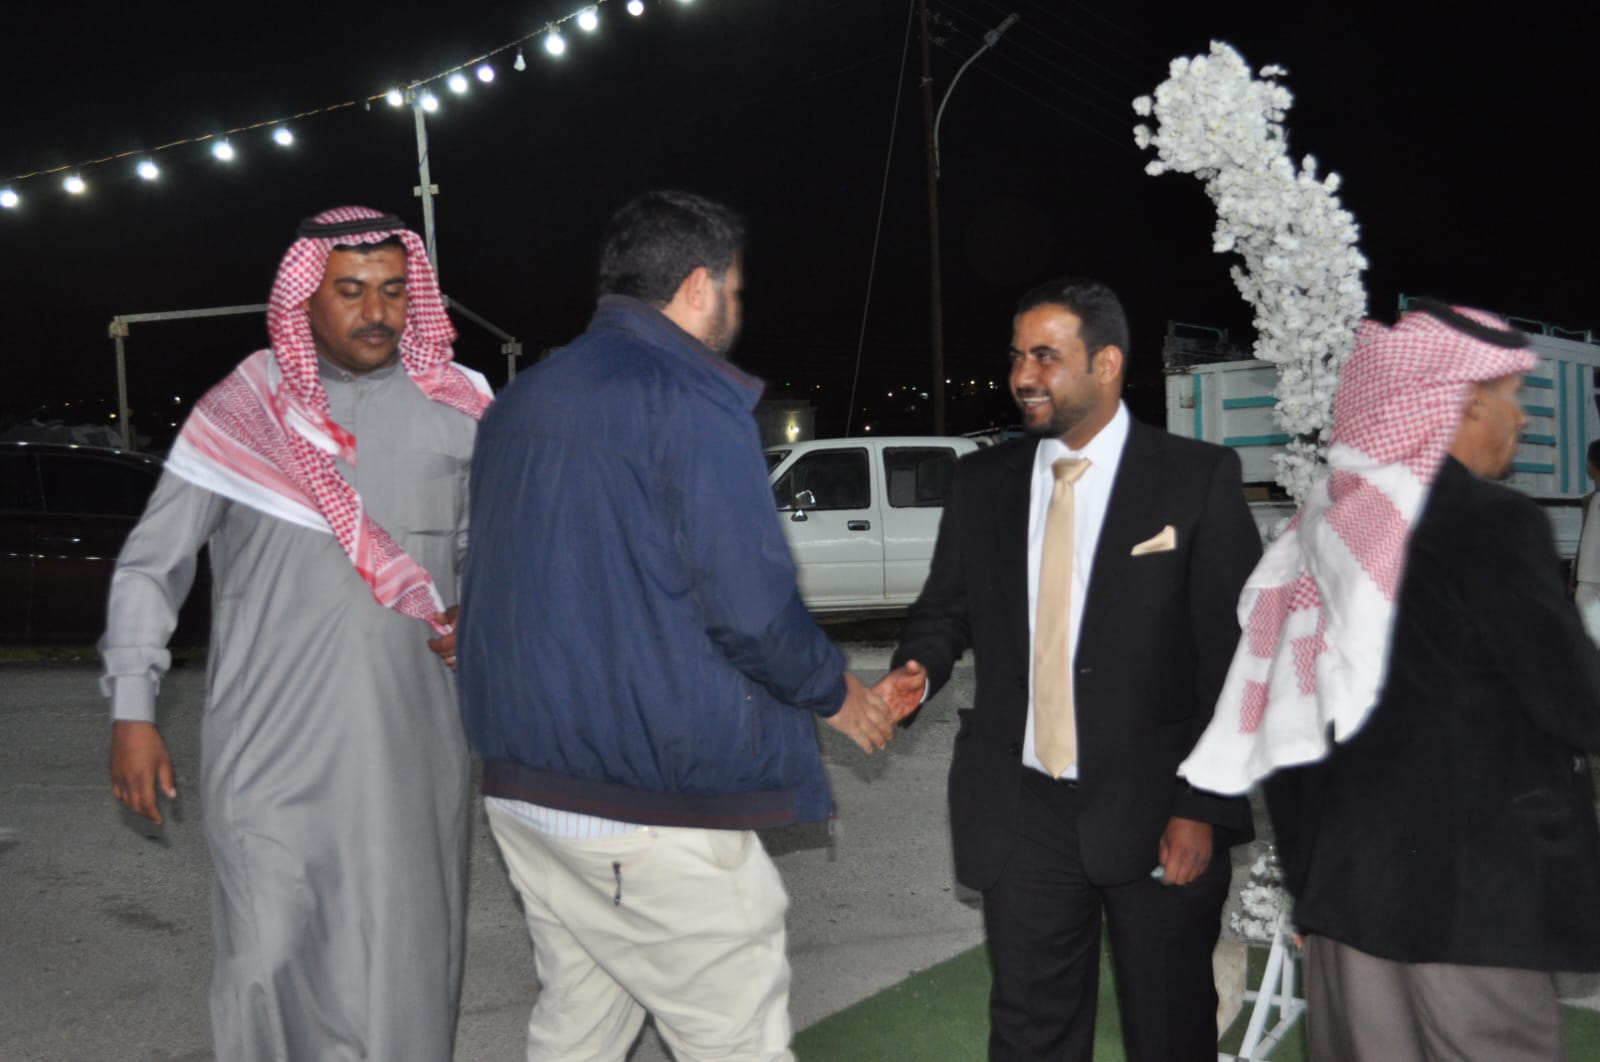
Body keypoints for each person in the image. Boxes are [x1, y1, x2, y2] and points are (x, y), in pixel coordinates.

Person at [456, 189, 895, 1062]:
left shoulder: (519, 403)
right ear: (700, 286)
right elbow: (748, 603)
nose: (738, 306)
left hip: (529, 787)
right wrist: (838, 694)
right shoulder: (689, 399)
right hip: (646, 803)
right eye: (736, 288)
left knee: (581, 1026)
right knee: (735, 1040)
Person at [101, 206, 491, 1061]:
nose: (376, 313)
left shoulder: (462, 410)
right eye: (350, 291)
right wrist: (133, 709)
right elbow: (151, 566)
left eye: (393, 291)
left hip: (411, 750)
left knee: (404, 958)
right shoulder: (244, 412)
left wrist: (486, 611)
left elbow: (500, 554)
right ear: (304, 299)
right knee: (265, 957)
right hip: (267, 750)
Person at [1183, 300, 1600, 1060]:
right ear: (1460, 403)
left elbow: (1292, 732)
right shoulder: (1488, 521)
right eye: (1510, 397)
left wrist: (1310, 890)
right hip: (1473, 911)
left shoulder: (1324, 529)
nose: (1521, 420)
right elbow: (1575, 705)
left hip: (1350, 904)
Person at [874, 278, 1260, 1061]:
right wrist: (919, 666)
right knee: (1030, 1033)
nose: (1023, 375)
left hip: (1161, 811)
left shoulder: (1196, 477)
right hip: (1024, 811)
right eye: (1018, 356)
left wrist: (1203, 806)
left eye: (1046, 357)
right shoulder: (983, 482)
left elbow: (1237, 659)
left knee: (1169, 1031)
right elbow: (945, 607)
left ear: (1106, 363)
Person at [1572, 438, 1600, 643]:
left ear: (1591, 466)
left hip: (1590, 579)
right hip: (1587, 577)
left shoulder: (1593, 500)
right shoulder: (1591, 500)